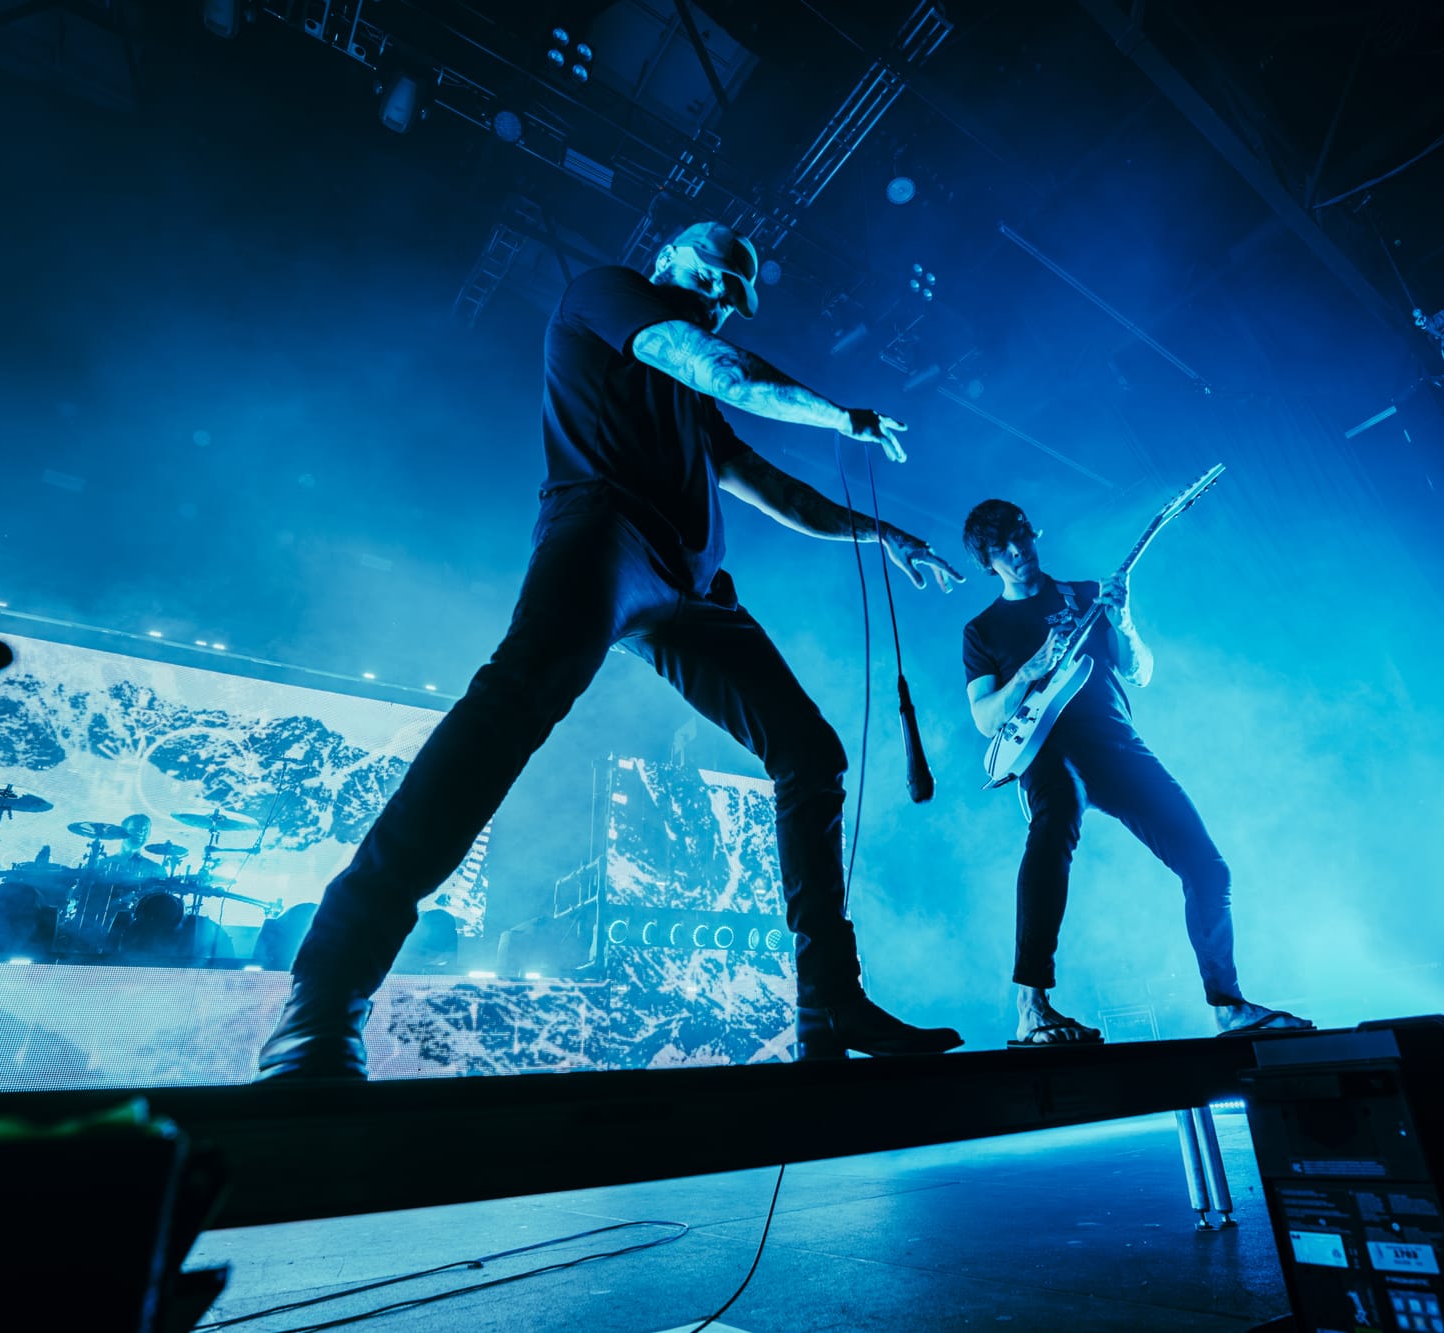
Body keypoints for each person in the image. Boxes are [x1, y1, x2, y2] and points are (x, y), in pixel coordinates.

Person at [258, 221, 968, 1079]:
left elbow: (774, 489)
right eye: (713, 279)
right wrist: (840, 415)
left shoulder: (693, 400)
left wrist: (883, 533)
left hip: (692, 590)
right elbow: (722, 367)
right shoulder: (604, 292)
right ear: (669, 258)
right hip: (603, 533)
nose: (721, 300)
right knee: (513, 702)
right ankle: (326, 992)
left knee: (811, 752)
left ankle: (829, 1003)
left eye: (735, 297)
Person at [959, 499, 1310, 1044]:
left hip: (1116, 743)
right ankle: (1031, 1008)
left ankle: (1228, 1007)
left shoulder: (1083, 595)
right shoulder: (982, 630)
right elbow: (985, 720)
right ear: (987, 562)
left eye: (1021, 536)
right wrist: (1028, 672)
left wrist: (1123, 620)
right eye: (1002, 548)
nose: (1017, 551)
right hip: (1050, 751)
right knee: (1053, 830)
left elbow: (1139, 672)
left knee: (1208, 866)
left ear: (1032, 534)